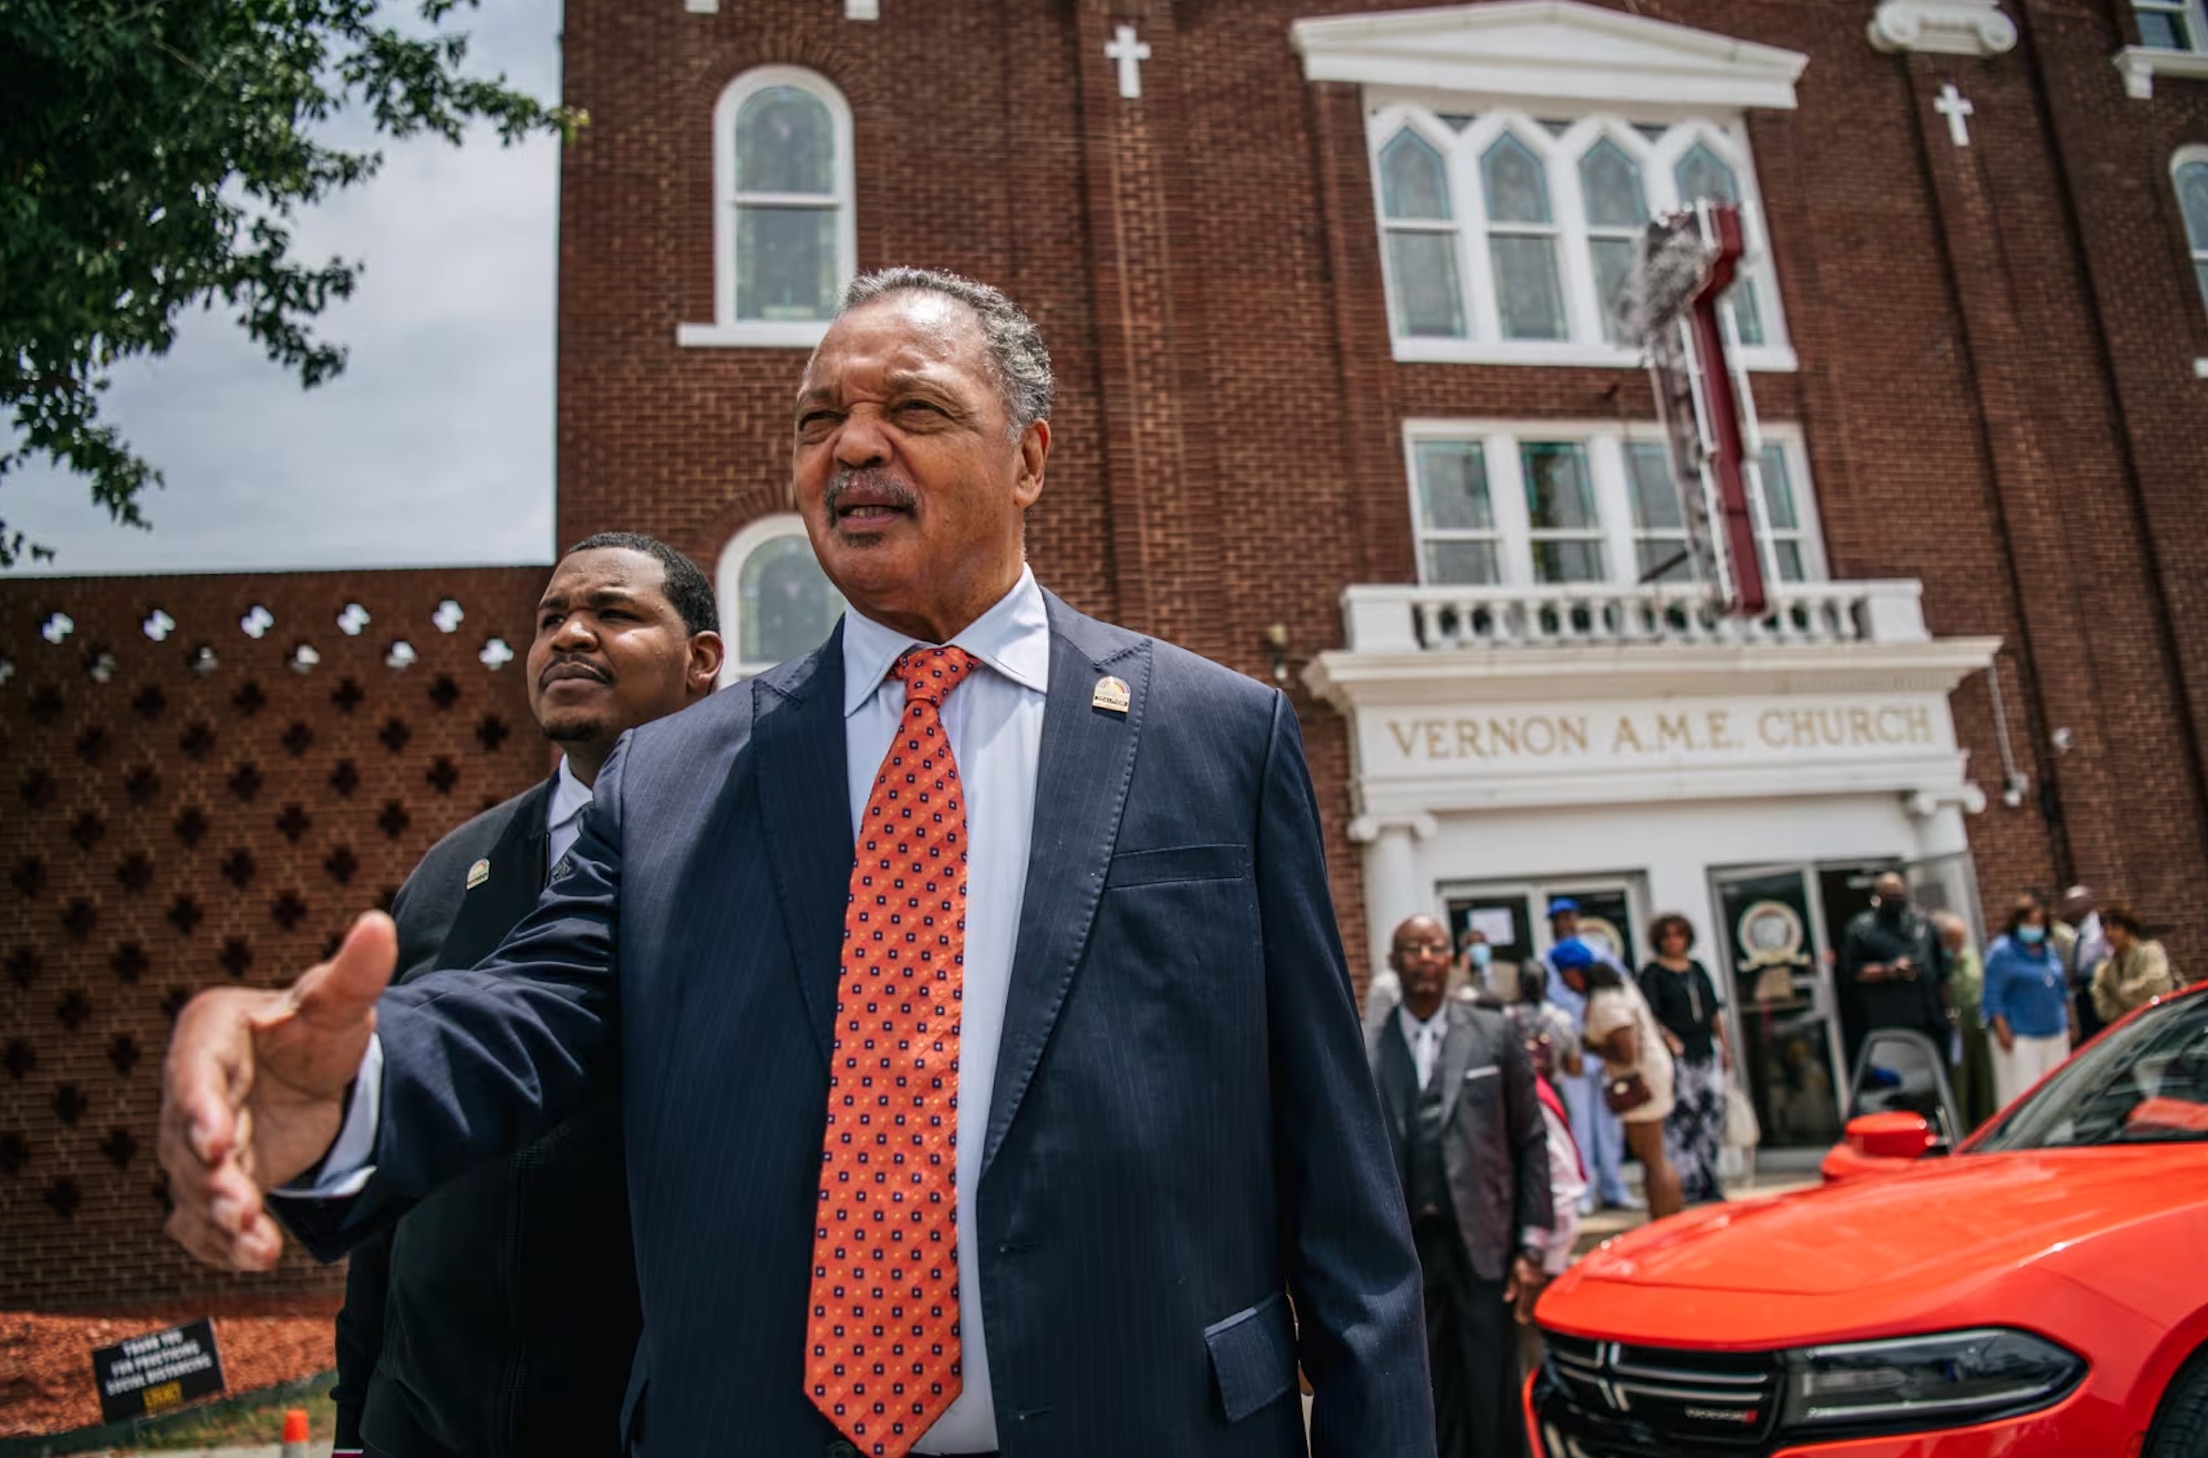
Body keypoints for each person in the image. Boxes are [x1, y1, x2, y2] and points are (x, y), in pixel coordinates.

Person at [156, 270, 1433, 1458]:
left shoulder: (1216, 737)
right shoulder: (676, 777)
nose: (854, 446)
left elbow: (1342, 1191)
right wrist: (345, 1091)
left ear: (1030, 457)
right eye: (819, 418)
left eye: (915, 409)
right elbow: (527, 1009)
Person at [329, 534, 722, 1458]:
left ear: (702, 659)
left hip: (649, 1419)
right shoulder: (445, 875)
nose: (570, 636)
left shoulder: (751, 861)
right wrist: (355, 1420)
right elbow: (397, 1153)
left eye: (613, 614)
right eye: (551, 619)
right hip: (424, 1424)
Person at [1366, 916, 1550, 1458]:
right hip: (1407, 1254)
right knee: (1427, 1388)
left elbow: (1530, 1139)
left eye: (1436, 947)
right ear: (1393, 960)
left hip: (1483, 1244)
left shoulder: (1494, 1034)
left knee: (1490, 1388)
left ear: (1452, 959)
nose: (1425, 956)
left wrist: (1532, 1244)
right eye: (1412, 948)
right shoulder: (1366, 1047)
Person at [1554, 939, 1680, 1220]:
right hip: (1648, 1075)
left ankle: (1666, 1223)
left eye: (1564, 977)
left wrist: (1589, 1045)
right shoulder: (1615, 989)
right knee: (1654, 1158)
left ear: (1574, 973)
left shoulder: (1605, 1001)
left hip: (1641, 1082)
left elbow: (1626, 1051)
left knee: (1652, 1159)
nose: (1564, 985)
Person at [1541, 899, 1637, 1213]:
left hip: (1606, 1048)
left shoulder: (1599, 953)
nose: (1564, 923)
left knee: (1610, 1121)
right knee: (1579, 1123)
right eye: (1558, 919)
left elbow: (1621, 994)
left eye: (1569, 917)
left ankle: (1615, 1187)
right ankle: (1584, 1190)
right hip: (1574, 1054)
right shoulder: (1547, 962)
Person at [1636, 914, 1729, 1207]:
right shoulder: (1653, 973)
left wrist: (1724, 1046)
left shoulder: (1697, 969)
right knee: (1683, 1118)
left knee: (1710, 1114)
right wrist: (1667, 1038)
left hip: (1705, 1049)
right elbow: (1648, 1014)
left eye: (1678, 935)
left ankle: (1709, 1180)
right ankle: (1686, 1182)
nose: (1673, 940)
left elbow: (1713, 1010)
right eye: (1667, 936)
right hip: (1677, 1054)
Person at [1837, 872, 1948, 1064]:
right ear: (1878, 896)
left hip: (1930, 1016)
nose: (1896, 899)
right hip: (1890, 1020)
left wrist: (1948, 1009)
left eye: (1898, 893)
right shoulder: (1862, 929)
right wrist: (1891, 971)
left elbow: (1941, 970)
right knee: (1902, 1079)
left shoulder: (1922, 923)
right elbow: (1854, 973)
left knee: (1938, 1074)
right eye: (1889, 895)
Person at [1983, 895, 2075, 1110]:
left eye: (2039, 923)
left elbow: (2061, 987)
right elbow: (1992, 993)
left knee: (2058, 1092)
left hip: (2054, 1032)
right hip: (2022, 1035)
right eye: (2030, 923)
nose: (2035, 928)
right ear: (2018, 922)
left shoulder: (2048, 949)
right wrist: (2001, 1027)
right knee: (2025, 1095)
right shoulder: (2002, 951)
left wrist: (2068, 1020)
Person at [1933, 911, 1995, 1131]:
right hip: (1955, 1032)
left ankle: (1987, 1127)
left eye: (1961, 939)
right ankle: (1962, 1130)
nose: (1958, 945)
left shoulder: (1972, 956)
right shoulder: (1938, 962)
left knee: (1986, 1080)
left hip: (1978, 1027)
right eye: (1953, 940)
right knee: (1960, 1085)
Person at [2089, 901, 2175, 1025]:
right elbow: (2104, 1008)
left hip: (2161, 1023)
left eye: (2115, 928)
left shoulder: (2150, 951)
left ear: (2128, 929)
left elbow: (2155, 987)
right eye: (2105, 929)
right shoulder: (2106, 969)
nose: (2109, 934)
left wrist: (2120, 993)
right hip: (2130, 1029)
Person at [2055, 885, 2111, 1042]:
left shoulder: (2101, 928)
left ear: (2083, 906)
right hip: (2085, 993)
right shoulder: (2079, 932)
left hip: (2100, 992)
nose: (2065, 912)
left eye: (2069, 906)